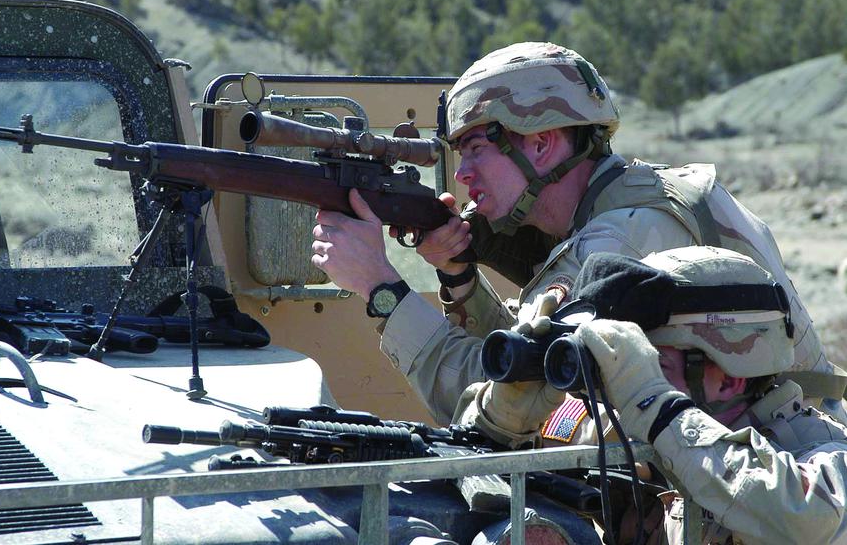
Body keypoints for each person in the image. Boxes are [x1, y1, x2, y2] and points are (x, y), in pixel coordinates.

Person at [311, 41, 845, 426]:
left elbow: (497, 410)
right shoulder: (643, 194)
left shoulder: (612, 244)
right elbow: (526, 361)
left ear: (541, 144)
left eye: (476, 148)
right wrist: (459, 278)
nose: (464, 173)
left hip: (763, 485)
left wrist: (381, 287)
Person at [458, 246, 847, 544]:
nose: (625, 385)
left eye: (652, 363)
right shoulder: (628, 429)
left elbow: (804, 519)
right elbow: (459, 475)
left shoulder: (824, 455)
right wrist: (503, 420)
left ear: (728, 380)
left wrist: (656, 405)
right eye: (630, 361)